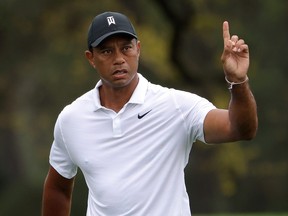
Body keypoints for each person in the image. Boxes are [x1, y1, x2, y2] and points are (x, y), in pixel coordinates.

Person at [42, 11, 258, 216]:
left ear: (138, 49)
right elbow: (58, 187)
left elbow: (239, 129)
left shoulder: (176, 106)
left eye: (126, 48)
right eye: (107, 51)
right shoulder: (71, 119)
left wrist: (238, 81)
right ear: (91, 58)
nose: (118, 59)